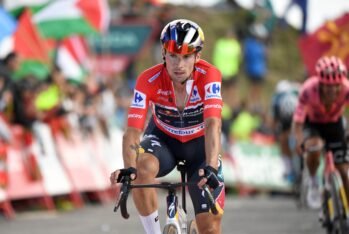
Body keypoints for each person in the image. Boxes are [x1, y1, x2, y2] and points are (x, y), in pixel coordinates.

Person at [110, 19, 225, 234]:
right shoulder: (148, 79)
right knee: (141, 168)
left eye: (186, 57)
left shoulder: (209, 75)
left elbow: (213, 123)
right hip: (164, 141)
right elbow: (133, 130)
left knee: (210, 228)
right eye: (173, 56)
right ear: (163, 53)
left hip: (200, 147)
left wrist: (210, 165)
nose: (178, 65)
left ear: (197, 56)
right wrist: (129, 168)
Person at [292, 56, 349, 209]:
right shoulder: (308, 90)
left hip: (334, 123)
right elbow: (298, 121)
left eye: (335, 86)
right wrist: (299, 141)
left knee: (344, 171)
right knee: (314, 147)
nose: (332, 90)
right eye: (327, 86)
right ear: (320, 84)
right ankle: (313, 181)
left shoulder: (346, 89)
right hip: (313, 123)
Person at [271, 80, 299, 182]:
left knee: (285, 140)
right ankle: (291, 169)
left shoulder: (276, 99)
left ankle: (289, 170)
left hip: (291, 120)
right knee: (286, 139)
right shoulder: (295, 91)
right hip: (292, 120)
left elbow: (274, 120)